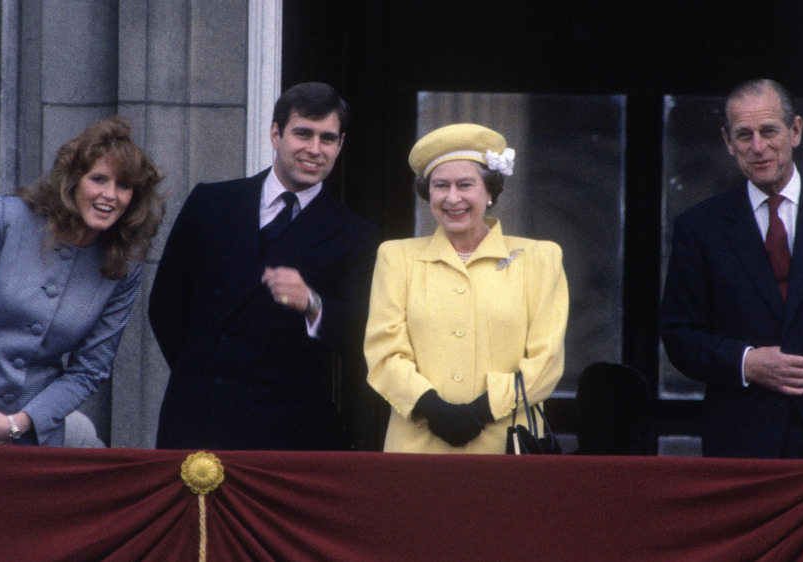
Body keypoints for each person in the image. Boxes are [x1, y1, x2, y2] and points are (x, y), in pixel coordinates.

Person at [0, 116, 165, 446]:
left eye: (124, 186)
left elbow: (89, 371)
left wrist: (16, 424)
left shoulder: (123, 267)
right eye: (98, 179)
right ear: (73, 180)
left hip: (29, 437)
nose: (110, 195)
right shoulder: (3, 217)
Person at [150, 82, 380, 450]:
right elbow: (165, 305)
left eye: (327, 138)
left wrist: (312, 302)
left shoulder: (356, 234)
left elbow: (362, 334)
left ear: (340, 145)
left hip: (288, 426)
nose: (314, 150)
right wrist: (205, 373)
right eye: (303, 134)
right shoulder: (211, 202)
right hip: (199, 416)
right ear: (276, 134)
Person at [660, 79, 803, 459]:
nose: (758, 147)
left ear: (794, 131)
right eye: (744, 135)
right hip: (741, 442)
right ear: (728, 142)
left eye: (769, 131)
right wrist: (747, 362)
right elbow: (679, 335)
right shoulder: (700, 228)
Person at [364, 123, 568, 453]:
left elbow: (546, 361)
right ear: (428, 194)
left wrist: (482, 411)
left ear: (489, 191)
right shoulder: (395, 257)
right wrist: (432, 408)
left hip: (506, 446)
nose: (452, 197)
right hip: (417, 448)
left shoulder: (540, 258)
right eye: (441, 186)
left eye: (465, 185)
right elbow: (383, 353)